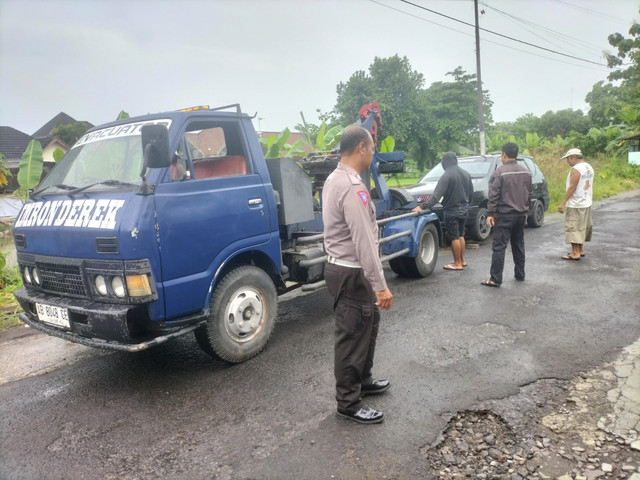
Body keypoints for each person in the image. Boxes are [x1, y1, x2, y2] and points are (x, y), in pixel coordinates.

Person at [322, 125, 394, 425]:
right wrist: (380, 285)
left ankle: (363, 380)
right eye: (372, 145)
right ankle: (348, 403)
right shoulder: (352, 186)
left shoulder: (334, 178)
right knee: (352, 336)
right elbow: (364, 240)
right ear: (361, 148)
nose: (374, 150)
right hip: (352, 272)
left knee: (368, 324)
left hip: (345, 269)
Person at [481, 142, 532, 287]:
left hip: (504, 216)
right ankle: (520, 274)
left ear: (503, 154)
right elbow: (529, 193)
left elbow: (493, 195)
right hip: (521, 215)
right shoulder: (526, 171)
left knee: (499, 247)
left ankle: (495, 278)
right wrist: (527, 210)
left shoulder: (499, 172)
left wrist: (490, 213)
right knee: (518, 245)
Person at [412, 152, 473, 270]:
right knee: (461, 235)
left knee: (454, 236)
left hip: (452, 210)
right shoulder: (466, 174)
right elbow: (471, 194)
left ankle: (457, 263)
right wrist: (466, 204)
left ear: (444, 162)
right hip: (464, 208)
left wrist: (422, 206)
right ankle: (462, 260)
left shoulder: (447, 176)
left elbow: (436, 196)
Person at [557, 148, 594, 260]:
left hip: (576, 203)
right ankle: (580, 249)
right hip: (586, 201)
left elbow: (572, 187)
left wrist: (563, 202)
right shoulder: (588, 167)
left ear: (573, 157)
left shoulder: (576, 169)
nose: (567, 161)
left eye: (568, 159)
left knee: (573, 227)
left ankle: (575, 253)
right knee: (582, 226)